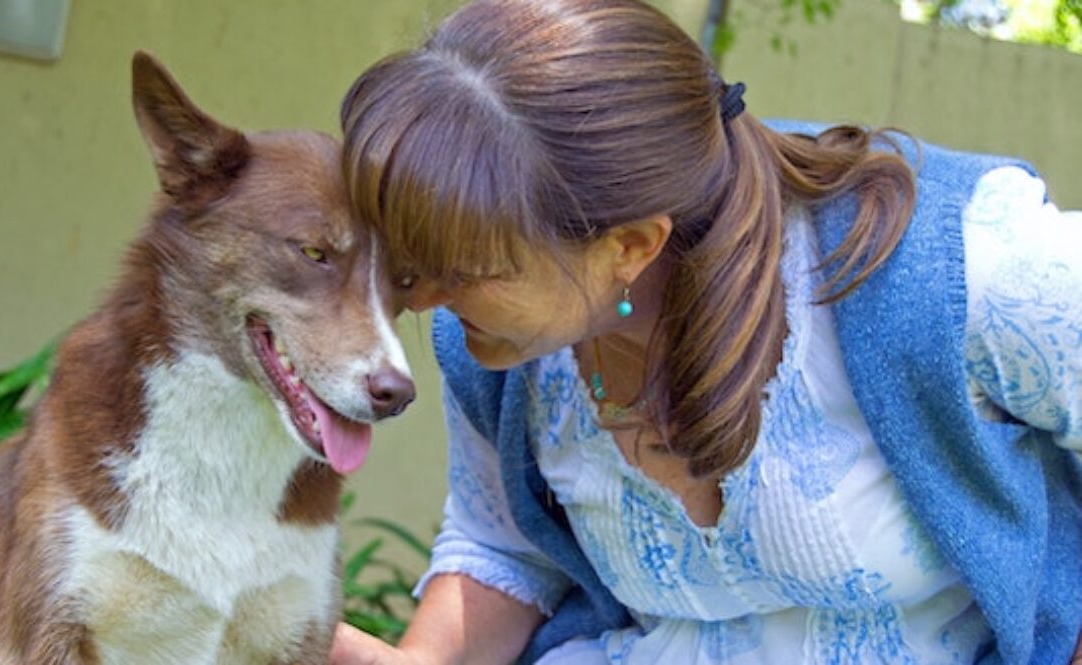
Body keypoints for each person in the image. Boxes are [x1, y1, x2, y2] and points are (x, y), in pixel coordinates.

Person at [330, 0, 1082, 663]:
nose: (419, 300)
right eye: (409, 258)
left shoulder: (951, 269)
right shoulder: (494, 352)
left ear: (629, 246)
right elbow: (504, 545)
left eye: (459, 269)